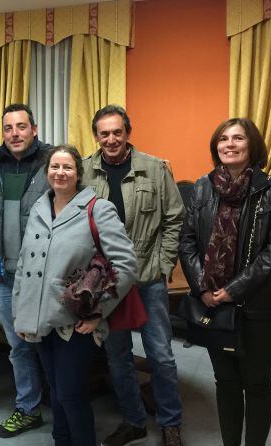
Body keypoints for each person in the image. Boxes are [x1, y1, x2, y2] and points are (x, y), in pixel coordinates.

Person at [14, 145, 137, 446]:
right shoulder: (38, 209)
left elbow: (126, 265)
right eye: (54, 167)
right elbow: (24, 263)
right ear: (47, 172)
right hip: (39, 319)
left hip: (75, 321)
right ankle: (61, 440)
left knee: (71, 394)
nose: (60, 173)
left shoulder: (97, 209)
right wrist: (20, 311)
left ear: (79, 174)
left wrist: (99, 313)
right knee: (55, 390)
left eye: (67, 167)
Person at [178, 118, 271, 446]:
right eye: (223, 139)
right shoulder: (202, 186)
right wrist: (203, 288)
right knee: (225, 382)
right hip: (213, 304)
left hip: (258, 306)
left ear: (251, 145)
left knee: (256, 384)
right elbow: (186, 241)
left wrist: (232, 290)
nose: (228, 144)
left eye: (237, 138)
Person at [81, 105, 185, 446]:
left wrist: (164, 264)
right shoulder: (84, 171)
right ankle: (134, 420)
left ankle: (171, 422)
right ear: (96, 136)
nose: (111, 139)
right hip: (106, 283)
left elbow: (174, 220)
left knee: (161, 356)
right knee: (117, 356)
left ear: (128, 132)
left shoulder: (154, 169)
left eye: (117, 132)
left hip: (146, 278)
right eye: (104, 133)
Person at [0, 103, 51, 438]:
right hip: (3, 275)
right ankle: (28, 408)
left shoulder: (53, 164)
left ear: (33, 129)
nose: (14, 134)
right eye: (8, 128)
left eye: (21, 127)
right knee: (18, 347)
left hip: (44, 277)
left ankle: (62, 407)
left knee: (49, 345)